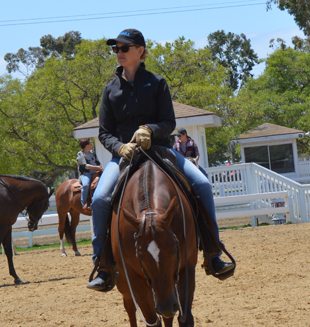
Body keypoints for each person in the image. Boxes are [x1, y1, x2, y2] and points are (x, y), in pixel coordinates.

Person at [87, 28, 234, 290]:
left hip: (160, 151)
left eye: (124, 48)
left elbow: (168, 122)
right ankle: (103, 265)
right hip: (123, 157)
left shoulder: (157, 83)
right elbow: (104, 132)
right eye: (115, 49)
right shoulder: (109, 90)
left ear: (140, 51)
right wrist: (120, 147)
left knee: (202, 184)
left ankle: (213, 253)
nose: (118, 53)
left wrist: (150, 130)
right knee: (99, 200)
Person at [76, 138, 103, 211]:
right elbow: (85, 166)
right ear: (86, 145)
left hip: (95, 172)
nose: (92, 144)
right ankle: (84, 203)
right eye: (90, 143)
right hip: (86, 174)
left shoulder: (93, 153)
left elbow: (98, 162)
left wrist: (100, 168)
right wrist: (96, 167)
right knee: (86, 185)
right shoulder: (80, 154)